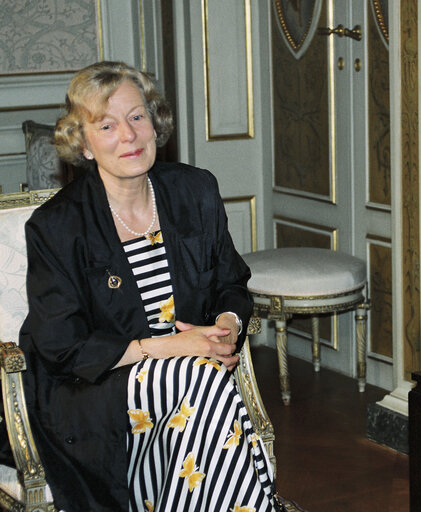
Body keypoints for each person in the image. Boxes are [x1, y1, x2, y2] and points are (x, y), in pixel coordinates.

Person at [19, 61, 276, 511]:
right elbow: (61, 347)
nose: (129, 135)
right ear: (83, 144)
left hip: (190, 383)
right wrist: (173, 348)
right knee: (202, 375)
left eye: (138, 117)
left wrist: (228, 325)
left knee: (201, 377)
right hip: (93, 393)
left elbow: (231, 281)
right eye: (107, 124)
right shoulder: (57, 225)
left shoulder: (194, 191)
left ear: (156, 124)